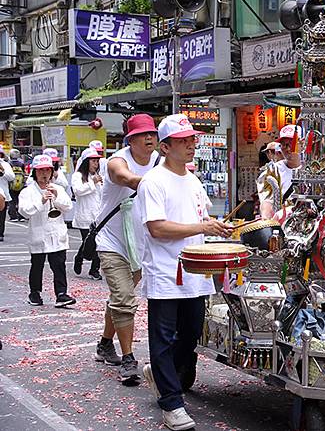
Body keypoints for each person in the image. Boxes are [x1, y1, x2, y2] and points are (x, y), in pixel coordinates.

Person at [138, 114, 233, 430]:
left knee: (191, 334)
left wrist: (220, 228)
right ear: (165, 147)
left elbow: (200, 220)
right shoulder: (153, 182)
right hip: (166, 272)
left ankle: (162, 373)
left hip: (196, 271)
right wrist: (203, 226)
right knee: (163, 338)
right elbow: (157, 228)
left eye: (192, 139)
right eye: (183, 140)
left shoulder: (193, 180)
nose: (192, 144)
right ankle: (172, 404)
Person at [94, 114, 160, 384]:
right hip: (112, 243)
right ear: (129, 140)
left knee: (120, 298)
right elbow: (124, 177)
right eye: (142, 135)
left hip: (141, 246)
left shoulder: (159, 162)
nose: (148, 139)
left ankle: (104, 344)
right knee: (124, 298)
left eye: (152, 134)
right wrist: (154, 183)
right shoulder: (117, 161)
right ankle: (129, 359)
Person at [18, 154, 76, 307]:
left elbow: (68, 207)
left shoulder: (58, 188)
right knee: (37, 265)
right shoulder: (28, 191)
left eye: (47, 170)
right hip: (38, 233)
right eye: (40, 170)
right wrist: (41, 201)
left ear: (52, 171)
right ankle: (35, 293)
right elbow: (24, 211)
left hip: (57, 233)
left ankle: (61, 293)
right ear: (35, 172)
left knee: (59, 264)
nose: (44, 174)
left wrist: (55, 197)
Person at [257, 125, 302, 220]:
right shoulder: (272, 171)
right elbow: (267, 201)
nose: (288, 148)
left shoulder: (312, 170)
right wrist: (267, 219)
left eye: (292, 143)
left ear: (302, 144)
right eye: (284, 145)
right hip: (279, 224)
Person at [72, 148, 104, 281]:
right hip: (85, 215)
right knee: (88, 242)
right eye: (93, 161)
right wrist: (93, 183)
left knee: (100, 243)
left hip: (98, 216)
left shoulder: (97, 176)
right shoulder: (78, 176)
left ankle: (94, 269)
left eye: (97, 161)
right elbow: (78, 191)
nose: (96, 164)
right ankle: (79, 257)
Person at [0, 149, 15, 242]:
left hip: (3, 194)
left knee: (1, 216)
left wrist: (3, 171)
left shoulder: (5, 164)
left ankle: (0, 233)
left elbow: (11, 177)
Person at [7, 149, 25, 221]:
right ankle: (21, 216)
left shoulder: (9, 163)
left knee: (12, 200)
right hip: (21, 184)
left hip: (11, 184)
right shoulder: (21, 164)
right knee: (20, 200)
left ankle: (13, 216)